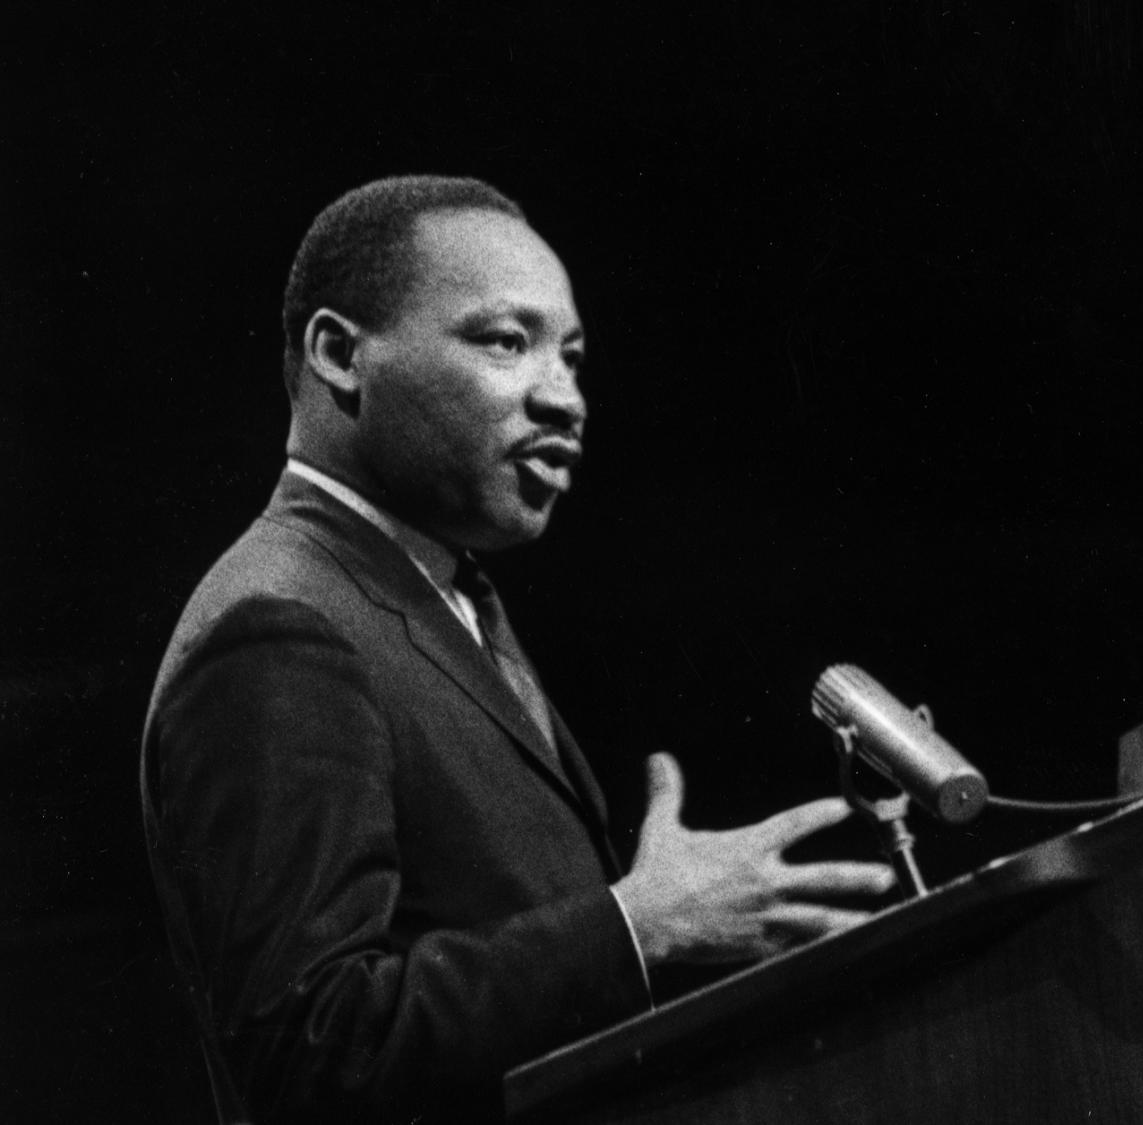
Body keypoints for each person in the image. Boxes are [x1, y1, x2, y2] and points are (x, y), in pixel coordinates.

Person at [140, 175, 894, 1123]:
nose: (564, 399)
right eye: (507, 341)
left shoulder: (445, 594)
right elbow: (311, 1048)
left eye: (573, 360)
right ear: (340, 355)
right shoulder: (281, 627)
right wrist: (634, 927)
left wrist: (662, 941)